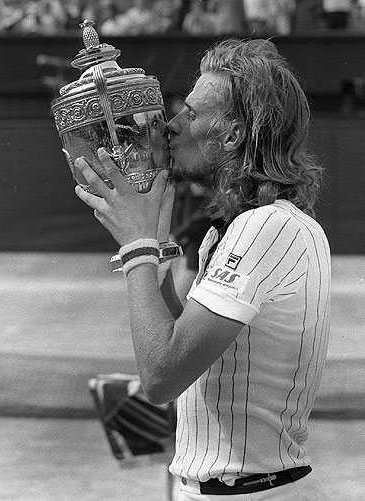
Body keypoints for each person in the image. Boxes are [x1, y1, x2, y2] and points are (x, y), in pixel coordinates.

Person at [74, 38, 331, 500]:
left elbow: (161, 376)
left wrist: (137, 247)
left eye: (190, 114)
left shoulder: (268, 227)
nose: (170, 126)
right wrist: (156, 240)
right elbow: (180, 340)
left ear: (232, 136)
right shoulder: (236, 230)